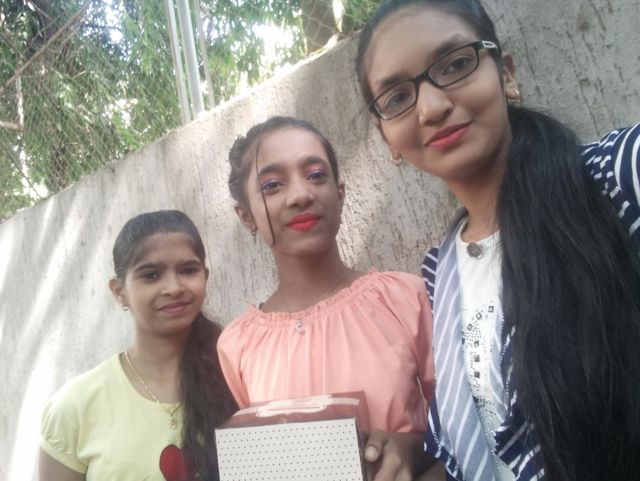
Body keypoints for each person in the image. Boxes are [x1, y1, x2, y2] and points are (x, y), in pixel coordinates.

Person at [355, 1, 640, 480]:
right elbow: (483, 452)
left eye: (455, 65)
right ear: (387, 139)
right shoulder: (441, 270)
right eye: (397, 97)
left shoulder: (616, 177)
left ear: (505, 73)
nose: (432, 107)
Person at [219, 116, 436, 480]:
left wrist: (408, 449)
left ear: (340, 192)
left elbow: (467, 429)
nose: (301, 195)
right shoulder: (237, 345)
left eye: (316, 175)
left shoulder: (405, 300)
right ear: (246, 216)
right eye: (272, 185)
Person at [39, 210, 237, 481]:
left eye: (188, 270)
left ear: (206, 276)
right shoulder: (75, 407)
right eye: (151, 275)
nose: (174, 287)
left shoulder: (238, 376)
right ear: (119, 291)